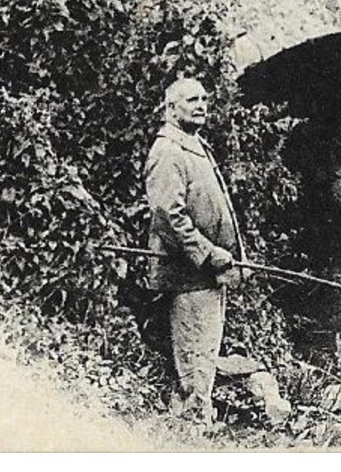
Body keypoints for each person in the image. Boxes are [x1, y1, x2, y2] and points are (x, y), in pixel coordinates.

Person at [144, 76, 245, 426]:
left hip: (207, 275)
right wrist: (207, 253)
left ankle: (196, 422)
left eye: (204, 98)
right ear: (171, 109)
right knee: (193, 358)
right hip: (189, 276)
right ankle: (191, 431)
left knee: (203, 355)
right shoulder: (168, 151)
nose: (201, 105)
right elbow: (168, 217)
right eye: (191, 100)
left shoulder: (193, 143)